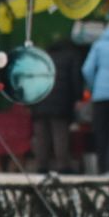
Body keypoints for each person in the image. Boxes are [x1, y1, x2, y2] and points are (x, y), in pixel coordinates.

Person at [80, 11, 109, 174]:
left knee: (101, 132)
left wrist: (93, 86)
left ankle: (101, 167)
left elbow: (86, 69)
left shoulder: (99, 44)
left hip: (100, 95)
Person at [30, 33, 82, 173]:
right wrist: (78, 97)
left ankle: (41, 165)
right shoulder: (72, 56)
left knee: (41, 135)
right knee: (60, 134)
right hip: (61, 102)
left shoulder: (44, 57)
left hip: (41, 99)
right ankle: (63, 165)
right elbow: (76, 79)